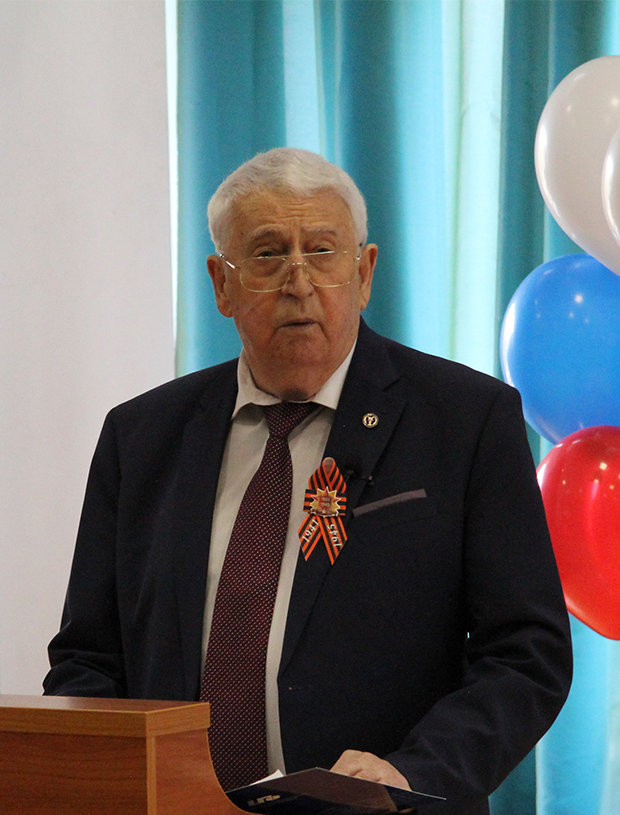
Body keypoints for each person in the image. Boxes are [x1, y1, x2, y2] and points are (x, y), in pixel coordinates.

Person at [44, 147, 572, 814]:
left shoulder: (465, 422)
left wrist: (408, 774)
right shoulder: (142, 438)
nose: (299, 282)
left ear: (364, 272)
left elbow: (526, 653)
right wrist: (105, 783)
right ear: (221, 284)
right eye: (268, 254)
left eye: (322, 251)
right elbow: (88, 658)